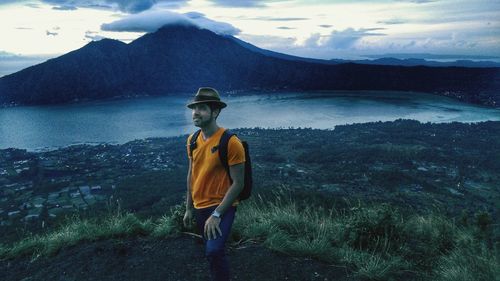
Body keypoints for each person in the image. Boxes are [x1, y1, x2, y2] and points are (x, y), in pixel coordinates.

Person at [183, 87, 245, 281]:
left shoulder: (231, 142)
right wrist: (188, 208)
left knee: (214, 251)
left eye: (202, 108)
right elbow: (191, 175)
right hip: (200, 206)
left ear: (215, 112)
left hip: (222, 206)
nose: (195, 112)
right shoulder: (192, 140)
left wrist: (217, 214)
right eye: (194, 108)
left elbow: (238, 183)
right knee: (211, 252)